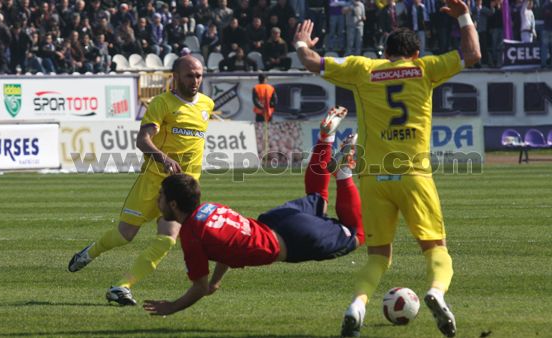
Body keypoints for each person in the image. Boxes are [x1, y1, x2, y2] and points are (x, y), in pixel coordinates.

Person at [293, 0, 480, 336]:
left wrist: (301, 43)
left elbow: (309, 61)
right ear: (416, 51)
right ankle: (436, 293)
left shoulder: (364, 69)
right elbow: (473, 54)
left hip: (373, 177)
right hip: (413, 175)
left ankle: (358, 304)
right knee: (435, 248)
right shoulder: (425, 68)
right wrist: (464, 16)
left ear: (386, 51)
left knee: (378, 255)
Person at [143, 107, 365, 316]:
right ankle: (325, 139)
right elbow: (225, 247)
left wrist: (171, 307)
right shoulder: (209, 208)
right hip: (274, 220)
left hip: (289, 240)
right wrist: (217, 281)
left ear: (173, 204)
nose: (157, 200)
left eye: (160, 196)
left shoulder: (190, 235)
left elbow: (199, 287)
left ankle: (344, 172)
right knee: (318, 199)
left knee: (358, 235)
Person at [68, 55, 215, 306]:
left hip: (182, 189)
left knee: (167, 239)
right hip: (153, 181)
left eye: (199, 75)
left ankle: (121, 287)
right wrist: (163, 158)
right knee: (126, 234)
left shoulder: (207, 104)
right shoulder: (161, 103)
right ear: (176, 77)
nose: (195, 81)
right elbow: (142, 141)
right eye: (189, 75)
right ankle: (90, 253)